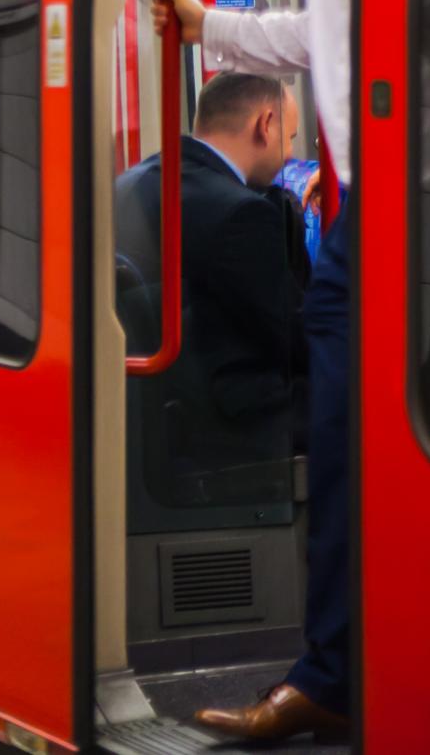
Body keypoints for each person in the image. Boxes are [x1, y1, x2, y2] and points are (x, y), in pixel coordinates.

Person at [153, 0, 376, 742]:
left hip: (406, 209)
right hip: (374, 213)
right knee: (341, 446)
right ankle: (335, 668)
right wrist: (211, 26)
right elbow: (309, 42)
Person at [114, 73, 307, 499]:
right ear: (266, 124)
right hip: (228, 427)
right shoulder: (241, 216)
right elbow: (297, 341)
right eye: (290, 138)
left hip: (157, 420)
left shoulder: (130, 184)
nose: (291, 154)